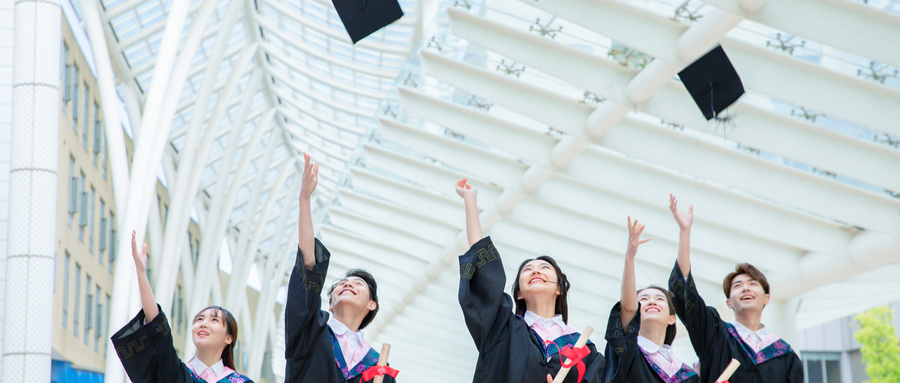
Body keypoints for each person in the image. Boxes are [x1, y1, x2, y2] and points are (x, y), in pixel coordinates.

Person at [456, 178, 605, 383]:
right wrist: (470, 200)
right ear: (518, 292)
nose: (536, 271)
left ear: (559, 288)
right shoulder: (502, 329)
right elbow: (484, 273)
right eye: (527, 270)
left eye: (545, 268)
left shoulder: (583, 349)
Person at [284, 153, 397, 383]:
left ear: (371, 304)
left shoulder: (378, 367)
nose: (347, 284)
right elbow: (308, 266)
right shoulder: (309, 330)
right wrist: (305, 200)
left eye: (358, 284)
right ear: (330, 303)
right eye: (341, 285)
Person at [666, 195, 803, 382]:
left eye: (753, 284)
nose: (746, 288)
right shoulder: (715, 335)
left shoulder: (785, 355)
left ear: (766, 298)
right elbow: (684, 294)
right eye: (738, 286)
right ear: (729, 302)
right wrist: (684, 232)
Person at [111, 231, 253, 383]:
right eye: (199, 319)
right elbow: (158, 330)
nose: (203, 323)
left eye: (214, 320)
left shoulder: (241, 382)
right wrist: (141, 272)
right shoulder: (176, 374)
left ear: (229, 338)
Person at [604, 217, 698, 382]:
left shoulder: (685, 375)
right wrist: (630, 258)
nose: (652, 301)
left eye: (660, 299)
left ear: (671, 318)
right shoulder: (628, 351)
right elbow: (627, 308)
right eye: (643, 299)